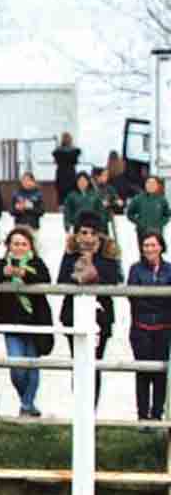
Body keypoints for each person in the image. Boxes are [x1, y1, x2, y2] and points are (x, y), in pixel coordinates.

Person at [0, 226, 54, 417]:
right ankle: (26, 398)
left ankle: (27, 404)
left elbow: (45, 279)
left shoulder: (37, 263)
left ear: (30, 246)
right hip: (11, 322)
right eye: (15, 243)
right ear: (8, 246)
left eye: (23, 244)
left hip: (35, 322)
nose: (19, 247)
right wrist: (4, 273)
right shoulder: (1, 263)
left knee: (32, 365)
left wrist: (25, 274)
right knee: (17, 367)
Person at [58, 218, 121, 405]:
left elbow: (112, 281)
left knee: (94, 364)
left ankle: (91, 410)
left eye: (93, 233)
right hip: (73, 317)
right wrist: (77, 272)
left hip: (100, 319)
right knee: (77, 363)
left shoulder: (108, 258)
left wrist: (92, 266)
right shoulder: (69, 256)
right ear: (77, 235)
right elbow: (62, 280)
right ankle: (79, 407)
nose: (88, 237)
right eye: (84, 232)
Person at [127, 232, 171, 421]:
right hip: (141, 327)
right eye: (146, 245)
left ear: (161, 247)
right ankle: (142, 415)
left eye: (153, 245)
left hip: (164, 328)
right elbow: (134, 297)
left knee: (161, 372)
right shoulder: (135, 269)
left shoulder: (169, 269)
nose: (149, 249)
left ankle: (157, 413)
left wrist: (152, 298)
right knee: (143, 372)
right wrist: (158, 299)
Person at [125, 175, 168, 250]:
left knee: (156, 252)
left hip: (157, 232)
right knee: (144, 252)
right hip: (142, 232)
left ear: (157, 185)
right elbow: (129, 213)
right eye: (148, 183)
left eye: (153, 183)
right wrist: (139, 222)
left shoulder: (162, 200)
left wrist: (160, 224)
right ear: (145, 184)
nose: (150, 185)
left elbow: (166, 215)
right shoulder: (138, 199)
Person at [52, 131, 82, 201]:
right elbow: (75, 161)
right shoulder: (75, 151)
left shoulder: (57, 152)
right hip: (71, 174)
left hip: (61, 175)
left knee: (62, 197)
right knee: (72, 195)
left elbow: (55, 161)